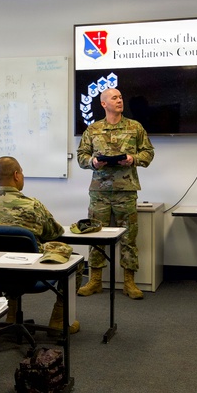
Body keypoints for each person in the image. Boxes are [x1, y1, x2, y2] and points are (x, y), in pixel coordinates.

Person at [0, 155, 79, 334]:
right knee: (76, 261)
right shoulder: (32, 205)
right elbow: (54, 233)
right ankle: (59, 321)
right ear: (16, 175)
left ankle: (11, 314)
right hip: (31, 274)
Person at [76, 88, 154, 300]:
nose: (119, 100)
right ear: (103, 104)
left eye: (120, 97)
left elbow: (148, 152)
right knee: (95, 236)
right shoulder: (93, 129)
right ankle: (94, 280)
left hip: (126, 191)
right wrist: (92, 162)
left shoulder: (134, 127)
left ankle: (129, 282)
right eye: (114, 98)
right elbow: (81, 155)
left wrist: (132, 159)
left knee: (129, 238)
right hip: (99, 193)